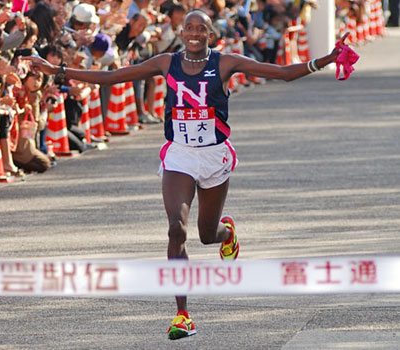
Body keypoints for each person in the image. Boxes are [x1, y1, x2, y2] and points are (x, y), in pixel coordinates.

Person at [25, 9, 349, 340]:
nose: (194, 33)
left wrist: (325, 59)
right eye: (188, 28)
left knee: (207, 234)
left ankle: (227, 233)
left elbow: (282, 72)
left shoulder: (225, 63)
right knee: (176, 229)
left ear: (210, 35)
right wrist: (58, 70)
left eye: (201, 29)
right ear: (181, 34)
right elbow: (114, 76)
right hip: (179, 154)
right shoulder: (167, 63)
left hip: (213, 155)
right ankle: (182, 315)